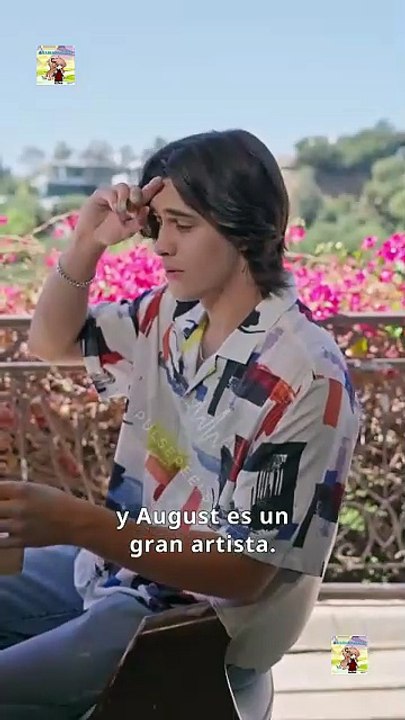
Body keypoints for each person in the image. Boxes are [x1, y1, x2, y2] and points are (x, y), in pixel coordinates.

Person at [0, 129, 361, 719]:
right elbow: (51, 342)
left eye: (183, 225)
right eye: (158, 224)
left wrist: (77, 522)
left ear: (245, 226)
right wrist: (87, 244)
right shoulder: (174, 315)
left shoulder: (305, 375)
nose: (161, 245)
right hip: (120, 569)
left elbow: (243, 570)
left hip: (197, 623)